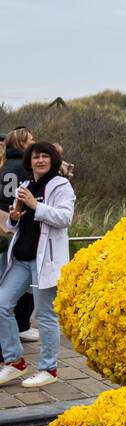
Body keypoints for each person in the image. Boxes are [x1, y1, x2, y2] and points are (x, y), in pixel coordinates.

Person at [0, 140, 76, 387]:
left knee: (45, 315)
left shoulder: (61, 185)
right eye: (35, 157)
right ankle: (14, 361)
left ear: (52, 160)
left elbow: (65, 218)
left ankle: (48, 369)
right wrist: (14, 218)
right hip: (22, 258)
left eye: (45, 156)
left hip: (46, 260)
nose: (40, 160)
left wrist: (36, 205)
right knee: (2, 305)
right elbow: (15, 225)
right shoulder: (24, 185)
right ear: (29, 161)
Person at [0, 127, 36, 344]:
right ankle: (22, 325)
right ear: (22, 143)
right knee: (19, 281)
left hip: (4, 224)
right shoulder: (25, 167)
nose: (34, 142)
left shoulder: (4, 165)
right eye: (31, 140)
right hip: (15, 226)